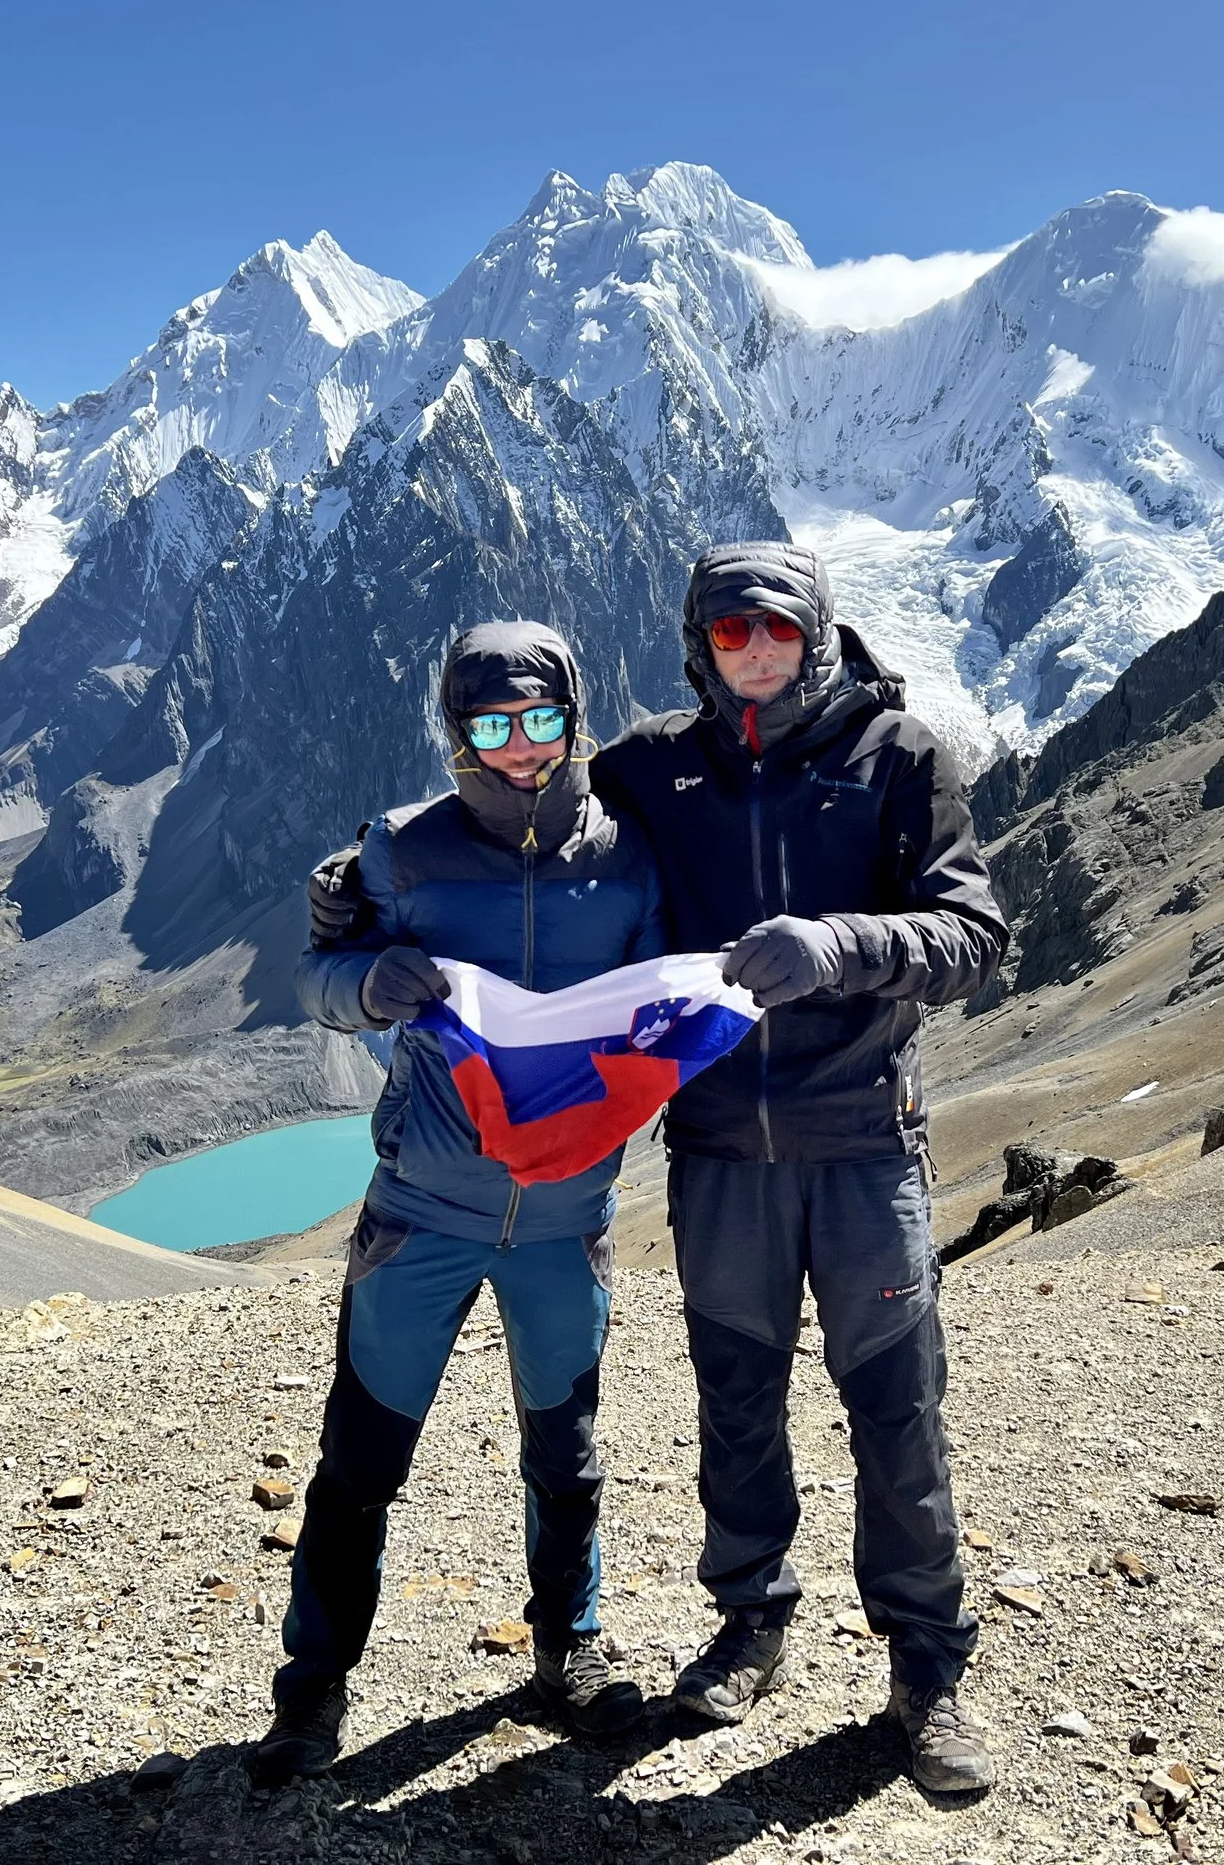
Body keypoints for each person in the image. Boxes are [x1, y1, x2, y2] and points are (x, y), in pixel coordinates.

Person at [308, 542, 1007, 1793]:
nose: (753, 653)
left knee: (895, 1407)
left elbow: (972, 933)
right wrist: (345, 929)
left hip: (859, 1138)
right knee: (735, 1402)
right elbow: (445, 871)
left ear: (818, 633)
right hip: (717, 1148)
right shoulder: (647, 773)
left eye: (776, 631)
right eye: (728, 634)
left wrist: (843, 945)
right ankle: (750, 1624)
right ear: (697, 644)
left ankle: (928, 1673)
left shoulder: (896, 760)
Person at [255, 620, 665, 1789]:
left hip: (563, 1217)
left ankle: (567, 1655)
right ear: (455, 734)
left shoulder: (627, 860)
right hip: (422, 1213)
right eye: (492, 726)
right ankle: (311, 1695)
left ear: (573, 720)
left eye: (542, 722)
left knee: (566, 1457)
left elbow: (660, 995)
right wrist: (362, 983)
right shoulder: (398, 852)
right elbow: (320, 979)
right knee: (360, 1464)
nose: (521, 749)